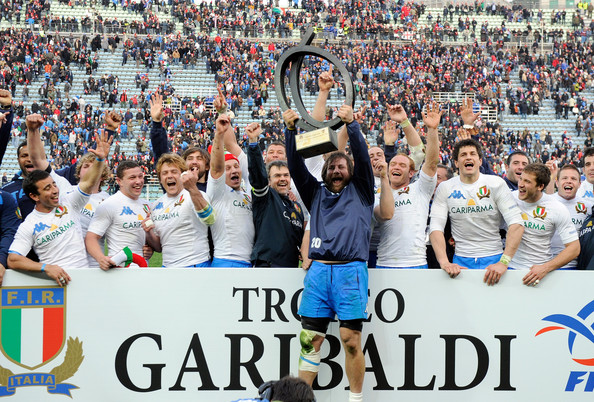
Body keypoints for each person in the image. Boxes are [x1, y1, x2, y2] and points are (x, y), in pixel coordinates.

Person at [284, 104, 373, 402]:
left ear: (351, 172)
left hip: (351, 272)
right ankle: (301, 399)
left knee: (350, 340)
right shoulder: (315, 193)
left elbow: (362, 157)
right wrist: (290, 131)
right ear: (324, 172)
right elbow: (295, 166)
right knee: (310, 340)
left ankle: (355, 400)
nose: (336, 170)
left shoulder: (362, 191)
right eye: (332, 167)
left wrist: (353, 125)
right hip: (319, 272)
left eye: (341, 167)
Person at [7, 127, 112, 286]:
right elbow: (13, 259)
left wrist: (100, 160)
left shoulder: (69, 203)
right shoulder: (29, 225)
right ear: (34, 196)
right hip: (56, 285)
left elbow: (88, 183)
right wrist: (45, 268)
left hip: (85, 280)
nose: (55, 191)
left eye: (54, 185)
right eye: (47, 188)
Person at [429, 138, 525, 285]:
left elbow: (516, 223)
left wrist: (504, 262)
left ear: (480, 161)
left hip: (495, 259)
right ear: (456, 163)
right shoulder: (445, 188)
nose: (468, 157)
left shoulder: (496, 183)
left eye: (472, 154)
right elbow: (436, 227)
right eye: (463, 155)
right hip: (460, 261)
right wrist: (444, 262)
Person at [26, 113, 116, 268]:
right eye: (85, 166)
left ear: (102, 174)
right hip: (64, 264)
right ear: (78, 173)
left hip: (96, 266)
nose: (90, 169)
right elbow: (38, 160)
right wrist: (32, 130)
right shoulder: (64, 187)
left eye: (94, 167)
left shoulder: (109, 200)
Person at [376, 101, 442, 269]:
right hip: (384, 263)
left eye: (402, 165)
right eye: (393, 164)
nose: (396, 167)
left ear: (411, 173)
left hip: (415, 263)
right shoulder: (378, 193)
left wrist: (432, 130)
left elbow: (431, 163)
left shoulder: (420, 189)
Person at [510, 163, 580, 285]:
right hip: (511, 269)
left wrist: (545, 268)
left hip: (541, 274)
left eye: (527, 181)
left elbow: (574, 248)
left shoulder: (556, 208)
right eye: (521, 179)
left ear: (540, 186)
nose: (520, 184)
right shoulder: (509, 198)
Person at [247, 122, 304, 267]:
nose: (282, 179)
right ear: (269, 181)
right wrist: (253, 143)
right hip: (267, 267)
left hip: (291, 269)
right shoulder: (265, 198)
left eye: (286, 175)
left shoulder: (296, 207)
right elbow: (257, 176)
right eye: (277, 176)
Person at [142, 153, 215, 267]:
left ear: (182, 175)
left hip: (195, 264)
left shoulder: (195, 195)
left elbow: (209, 219)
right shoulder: (155, 206)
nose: (169, 176)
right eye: (165, 173)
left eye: (174, 172)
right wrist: (149, 232)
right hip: (167, 267)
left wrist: (192, 188)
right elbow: (159, 247)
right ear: (160, 179)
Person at [207, 113, 254, 267]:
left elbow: (233, 143)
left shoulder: (248, 193)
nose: (234, 170)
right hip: (226, 261)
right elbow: (216, 168)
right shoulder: (218, 192)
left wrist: (225, 114)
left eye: (236, 166)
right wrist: (219, 134)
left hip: (250, 262)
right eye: (228, 168)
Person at [85, 160, 150, 270]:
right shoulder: (109, 205)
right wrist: (101, 259)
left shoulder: (147, 205)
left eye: (140, 176)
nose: (138, 181)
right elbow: (91, 238)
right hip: (119, 271)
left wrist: (150, 248)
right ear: (119, 181)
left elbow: (149, 239)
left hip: (144, 270)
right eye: (132, 178)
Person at [545, 163, 593, 269]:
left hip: (574, 267)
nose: (569, 181)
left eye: (573, 178)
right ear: (557, 183)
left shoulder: (588, 207)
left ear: (579, 184)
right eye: (565, 178)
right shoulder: (545, 203)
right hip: (545, 264)